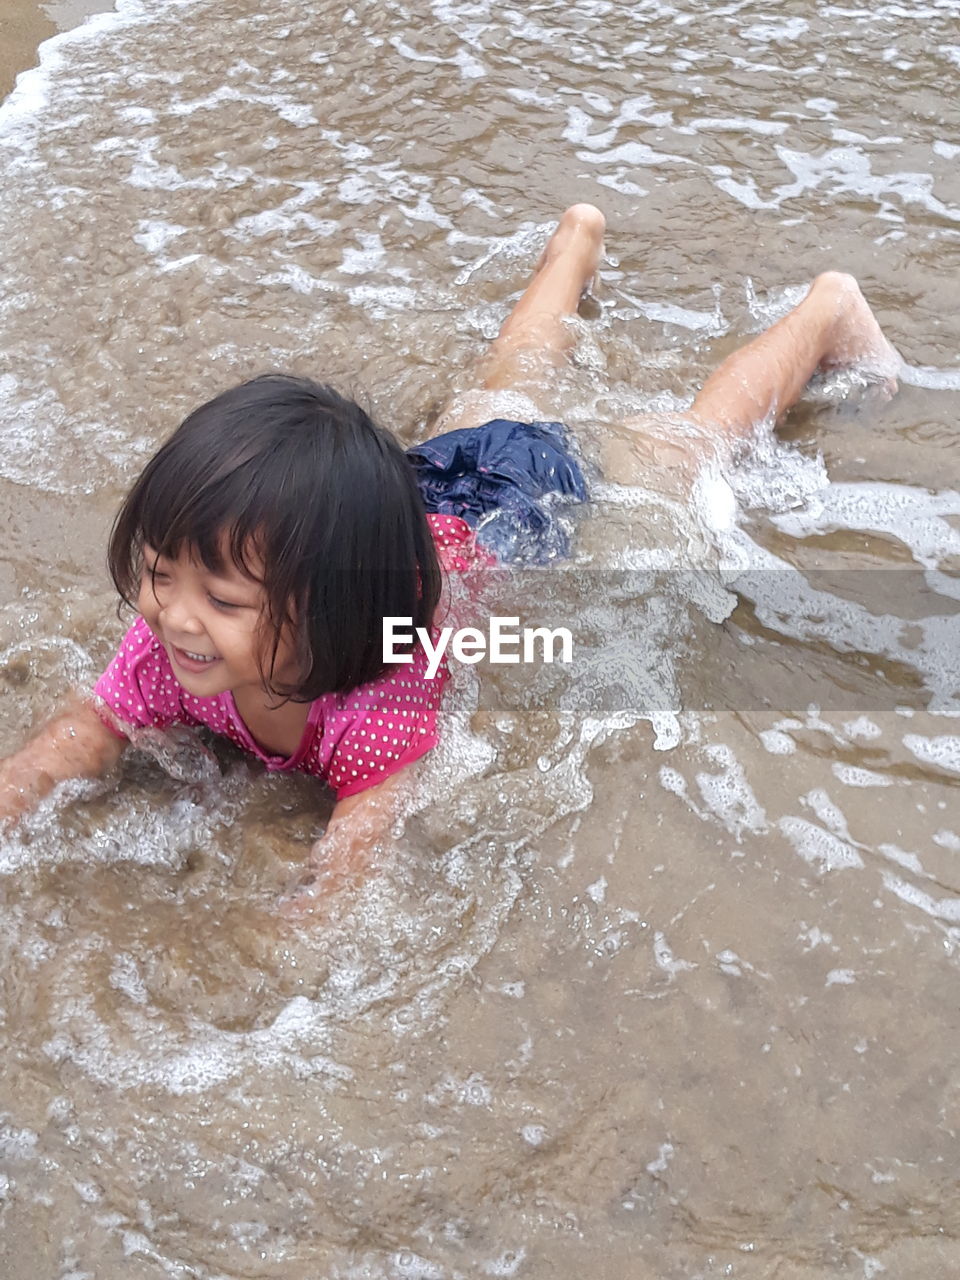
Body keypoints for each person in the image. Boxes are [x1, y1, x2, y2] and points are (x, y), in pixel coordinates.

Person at [0, 203, 899, 899]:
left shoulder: (380, 696)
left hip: (526, 505)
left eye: (223, 602)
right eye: (160, 574)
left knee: (697, 441)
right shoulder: (175, 636)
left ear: (326, 616)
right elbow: (81, 733)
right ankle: (575, 245)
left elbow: (354, 860)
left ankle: (825, 311)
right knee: (505, 379)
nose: (173, 616)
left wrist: (288, 940)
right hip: (413, 492)